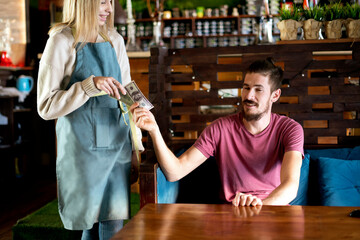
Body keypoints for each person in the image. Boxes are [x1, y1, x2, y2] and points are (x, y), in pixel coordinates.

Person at [131, 58, 304, 207]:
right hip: (235, 215)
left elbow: (290, 186)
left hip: (274, 210)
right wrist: (154, 131)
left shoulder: (290, 129)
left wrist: (259, 207)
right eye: (246, 88)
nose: (249, 96)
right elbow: (174, 172)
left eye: (258, 89)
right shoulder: (220, 129)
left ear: (275, 95)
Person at [37, 0, 144, 239]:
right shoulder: (61, 41)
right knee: (90, 222)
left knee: (113, 220)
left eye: (111, 2)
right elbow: (45, 106)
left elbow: (128, 96)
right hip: (82, 149)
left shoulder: (114, 39)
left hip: (115, 143)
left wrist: (135, 147)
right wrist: (88, 86)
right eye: (103, 2)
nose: (109, 8)